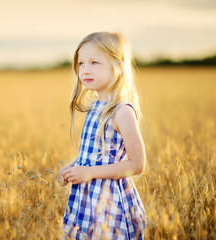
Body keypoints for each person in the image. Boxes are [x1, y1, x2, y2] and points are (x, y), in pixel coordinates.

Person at [57, 32, 147, 239]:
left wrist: (89, 173)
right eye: (81, 63)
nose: (85, 70)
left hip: (108, 199)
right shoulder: (95, 108)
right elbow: (93, 154)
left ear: (119, 67)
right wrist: (71, 168)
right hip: (87, 196)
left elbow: (137, 163)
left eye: (94, 62)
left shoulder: (121, 111)